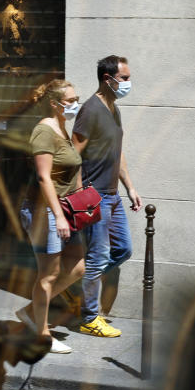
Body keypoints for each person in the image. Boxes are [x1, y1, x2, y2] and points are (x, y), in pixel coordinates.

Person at [71, 55, 143, 337]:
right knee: (98, 256)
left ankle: (77, 286)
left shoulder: (113, 109)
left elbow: (118, 152)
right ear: (107, 78)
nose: (128, 83)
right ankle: (89, 317)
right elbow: (73, 155)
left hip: (112, 195)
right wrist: (80, 196)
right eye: (124, 78)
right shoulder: (90, 110)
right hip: (94, 195)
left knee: (123, 249)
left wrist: (130, 187)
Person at [15, 78, 88, 353]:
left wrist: (81, 206)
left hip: (66, 209)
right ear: (55, 104)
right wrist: (58, 216)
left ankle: (31, 312)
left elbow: (71, 171)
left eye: (75, 98)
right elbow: (44, 178)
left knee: (77, 267)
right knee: (49, 274)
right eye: (70, 101)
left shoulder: (62, 128)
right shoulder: (43, 131)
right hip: (45, 211)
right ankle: (42, 335)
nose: (74, 104)